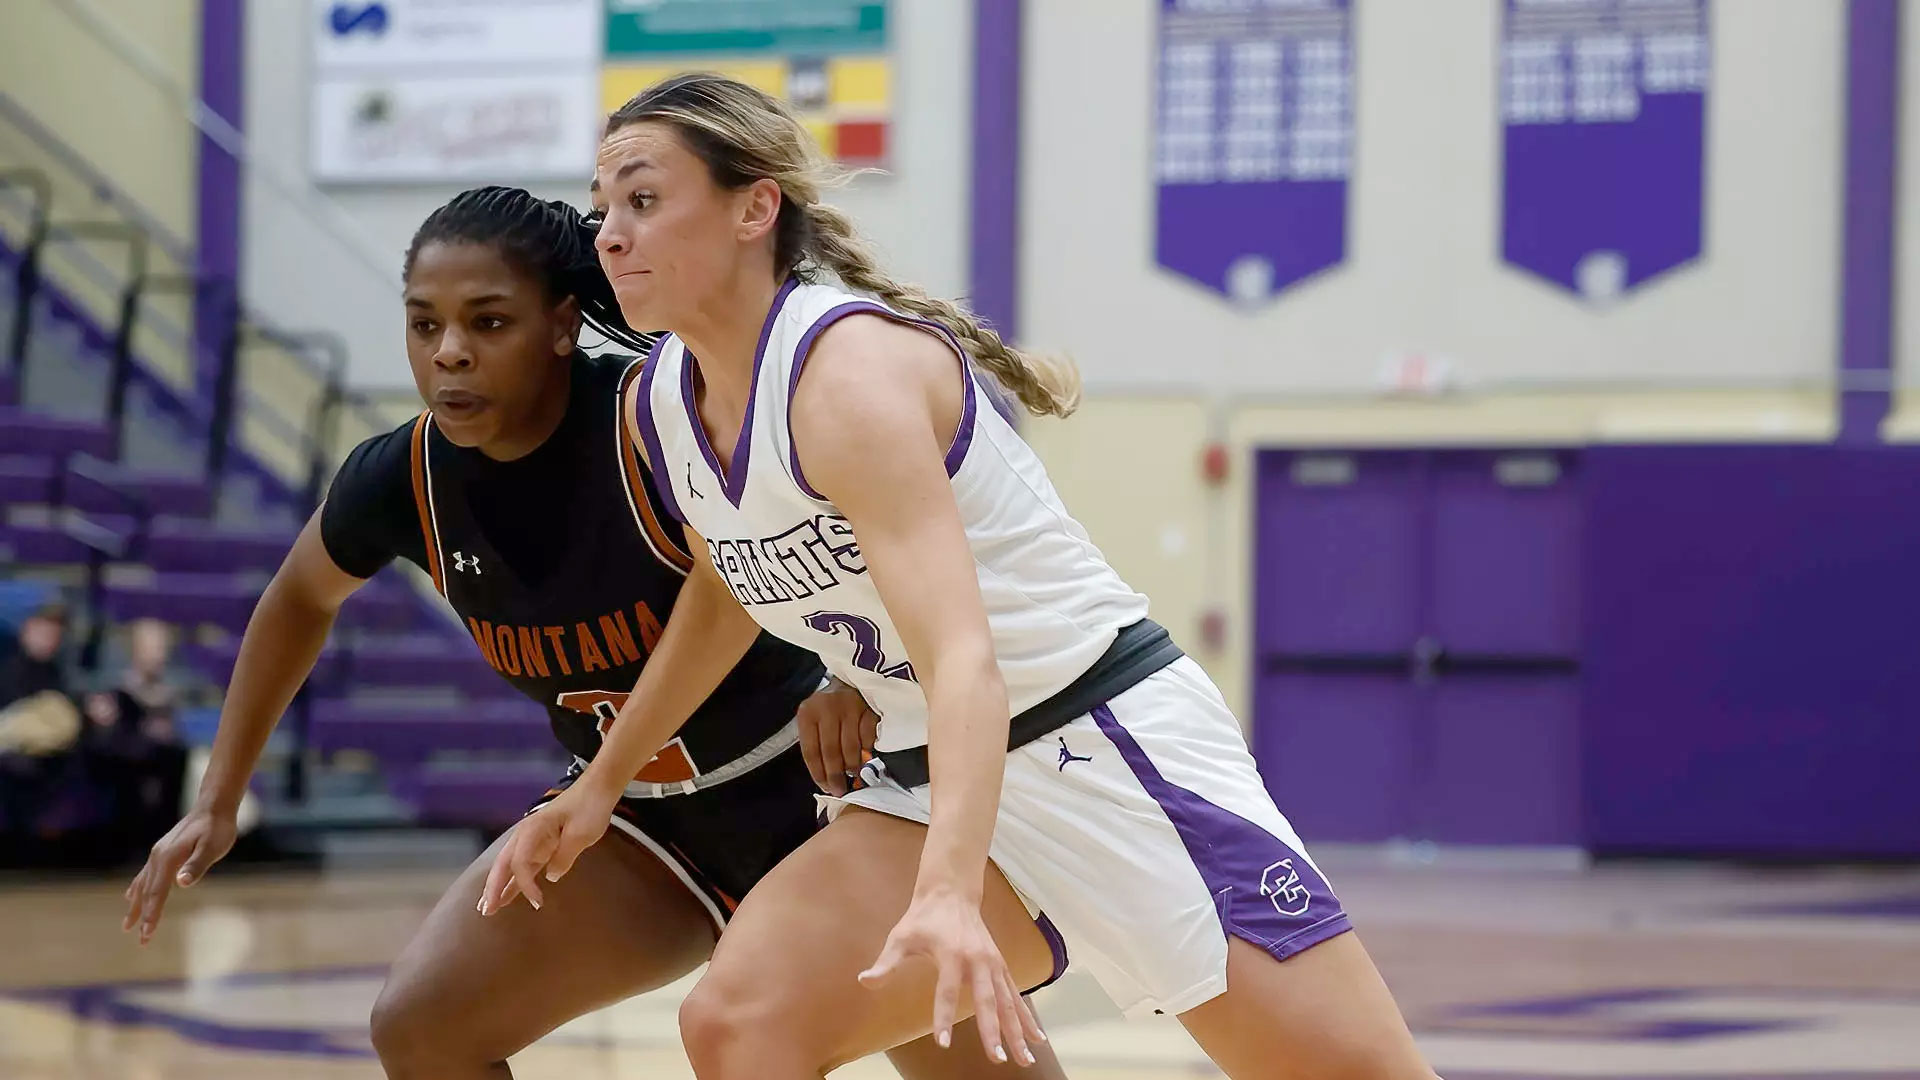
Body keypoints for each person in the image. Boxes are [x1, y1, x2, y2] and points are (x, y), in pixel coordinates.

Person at [486, 74, 1441, 1079]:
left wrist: (945, 888)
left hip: (1108, 752)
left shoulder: (846, 376)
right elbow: (728, 591)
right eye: (603, 211)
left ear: (754, 207)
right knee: (740, 1023)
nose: (610, 235)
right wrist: (599, 787)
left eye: (642, 200)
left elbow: (964, 660)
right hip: (934, 772)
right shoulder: (660, 401)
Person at [121, 186, 1066, 1080]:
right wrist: (218, 797)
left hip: (823, 794)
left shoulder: (659, 417)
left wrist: (857, 679)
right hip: (633, 823)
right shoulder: (402, 478)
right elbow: (296, 599)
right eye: (424, 324)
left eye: (488, 322)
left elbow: (875, 536)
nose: (449, 351)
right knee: (420, 1025)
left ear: (564, 327)